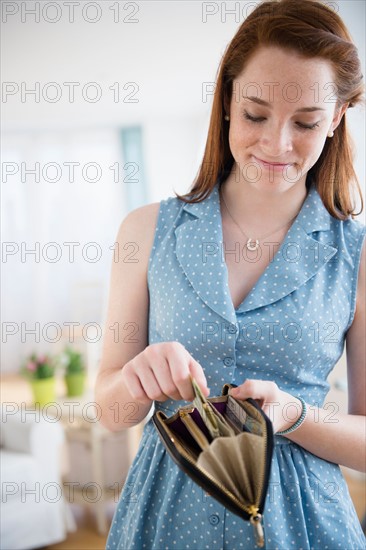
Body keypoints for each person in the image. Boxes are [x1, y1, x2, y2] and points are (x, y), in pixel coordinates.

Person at [96, 0, 366, 548]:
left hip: (305, 524)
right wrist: (136, 379)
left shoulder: (356, 253)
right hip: (166, 513)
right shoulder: (145, 231)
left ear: (336, 118)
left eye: (307, 123)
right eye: (256, 114)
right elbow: (109, 410)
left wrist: (292, 416)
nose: (276, 144)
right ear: (226, 102)